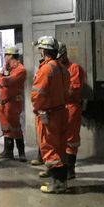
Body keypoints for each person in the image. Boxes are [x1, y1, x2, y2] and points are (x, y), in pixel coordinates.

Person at [31, 36, 69, 194]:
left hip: (49, 114)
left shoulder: (46, 69)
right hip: (61, 111)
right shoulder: (63, 69)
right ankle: (62, 181)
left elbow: (37, 94)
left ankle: (56, 184)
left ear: (44, 51)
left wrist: (38, 109)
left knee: (49, 148)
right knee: (60, 148)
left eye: (41, 49)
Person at [0, 45, 28, 161]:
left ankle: (21, 152)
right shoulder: (7, 69)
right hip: (3, 102)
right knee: (6, 128)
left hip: (13, 103)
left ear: (11, 56)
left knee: (15, 127)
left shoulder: (20, 70)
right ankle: (8, 151)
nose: (4, 57)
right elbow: (0, 80)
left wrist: (2, 78)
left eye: (6, 55)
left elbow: (6, 81)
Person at [58, 43, 86, 180]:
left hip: (70, 108)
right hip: (58, 108)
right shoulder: (54, 68)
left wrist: (56, 93)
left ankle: (70, 169)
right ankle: (58, 168)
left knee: (70, 140)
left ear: (64, 55)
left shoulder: (74, 68)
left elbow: (73, 89)